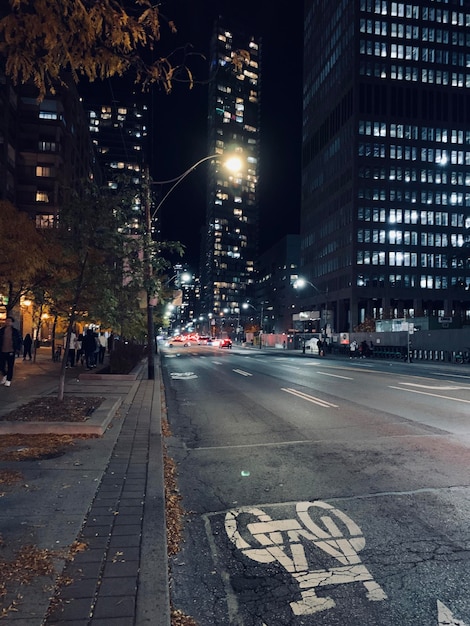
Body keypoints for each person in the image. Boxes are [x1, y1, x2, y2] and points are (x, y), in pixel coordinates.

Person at [0, 316, 23, 387]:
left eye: (9, 321)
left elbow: (20, 340)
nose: (8, 322)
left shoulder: (15, 332)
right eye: (7, 321)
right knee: (1, 366)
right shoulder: (1, 330)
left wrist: (17, 349)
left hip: (11, 351)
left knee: (10, 366)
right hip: (2, 351)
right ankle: (5, 375)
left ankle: (8, 380)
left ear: (12, 323)